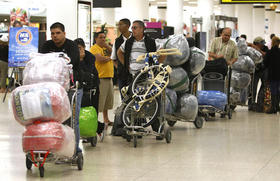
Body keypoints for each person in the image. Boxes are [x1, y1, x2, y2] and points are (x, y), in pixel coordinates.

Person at [40, 22, 83, 156]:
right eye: (52, 33)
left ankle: (74, 149)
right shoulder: (47, 45)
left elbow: (71, 62)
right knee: (47, 119)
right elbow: (39, 61)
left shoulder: (72, 46)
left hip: (70, 87)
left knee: (71, 119)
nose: (55, 36)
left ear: (64, 33)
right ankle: (50, 146)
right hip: (50, 89)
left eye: (58, 33)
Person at [117, 20, 165, 137]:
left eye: (135, 28)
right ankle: (136, 127)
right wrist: (126, 65)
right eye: (132, 28)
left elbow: (163, 53)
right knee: (133, 101)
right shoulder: (128, 43)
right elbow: (119, 52)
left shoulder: (151, 42)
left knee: (152, 100)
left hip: (147, 76)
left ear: (142, 29)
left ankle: (157, 128)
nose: (132, 30)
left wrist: (156, 66)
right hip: (133, 76)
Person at [74, 38, 105, 140]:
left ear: (84, 47)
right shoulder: (72, 56)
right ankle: (86, 129)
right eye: (76, 48)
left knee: (92, 109)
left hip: (92, 85)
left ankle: (98, 128)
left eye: (80, 48)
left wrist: (81, 60)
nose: (78, 51)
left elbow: (88, 72)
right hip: (78, 86)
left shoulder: (90, 57)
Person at [90, 31, 114, 127]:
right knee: (100, 101)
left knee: (107, 101)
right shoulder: (94, 48)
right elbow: (100, 59)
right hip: (101, 78)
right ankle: (95, 121)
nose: (103, 39)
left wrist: (107, 46)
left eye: (104, 37)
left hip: (109, 77)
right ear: (96, 39)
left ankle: (106, 119)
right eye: (100, 37)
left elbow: (113, 52)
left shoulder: (105, 48)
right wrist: (110, 58)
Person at [110, 18, 132, 99]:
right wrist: (119, 68)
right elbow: (113, 58)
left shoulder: (136, 39)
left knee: (134, 97)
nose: (119, 27)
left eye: (121, 24)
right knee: (124, 98)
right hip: (122, 75)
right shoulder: (117, 41)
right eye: (118, 25)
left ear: (127, 26)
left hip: (135, 74)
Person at [247, 36, 269, 111]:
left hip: (264, 70)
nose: (263, 45)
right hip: (254, 71)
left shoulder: (265, 48)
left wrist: (256, 48)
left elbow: (265, 54)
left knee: (264, 86)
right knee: (252, 88)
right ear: (257, 43)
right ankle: (251, 104)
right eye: (261, 43)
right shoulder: (250, 50)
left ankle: (260, 102)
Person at [263, 36, 280, 113]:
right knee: (279, 90)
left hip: (272, 74)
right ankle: (278, 106)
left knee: (273, 90)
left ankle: (273, 108)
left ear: (272, 42)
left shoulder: (269, 52)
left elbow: (265, 63)